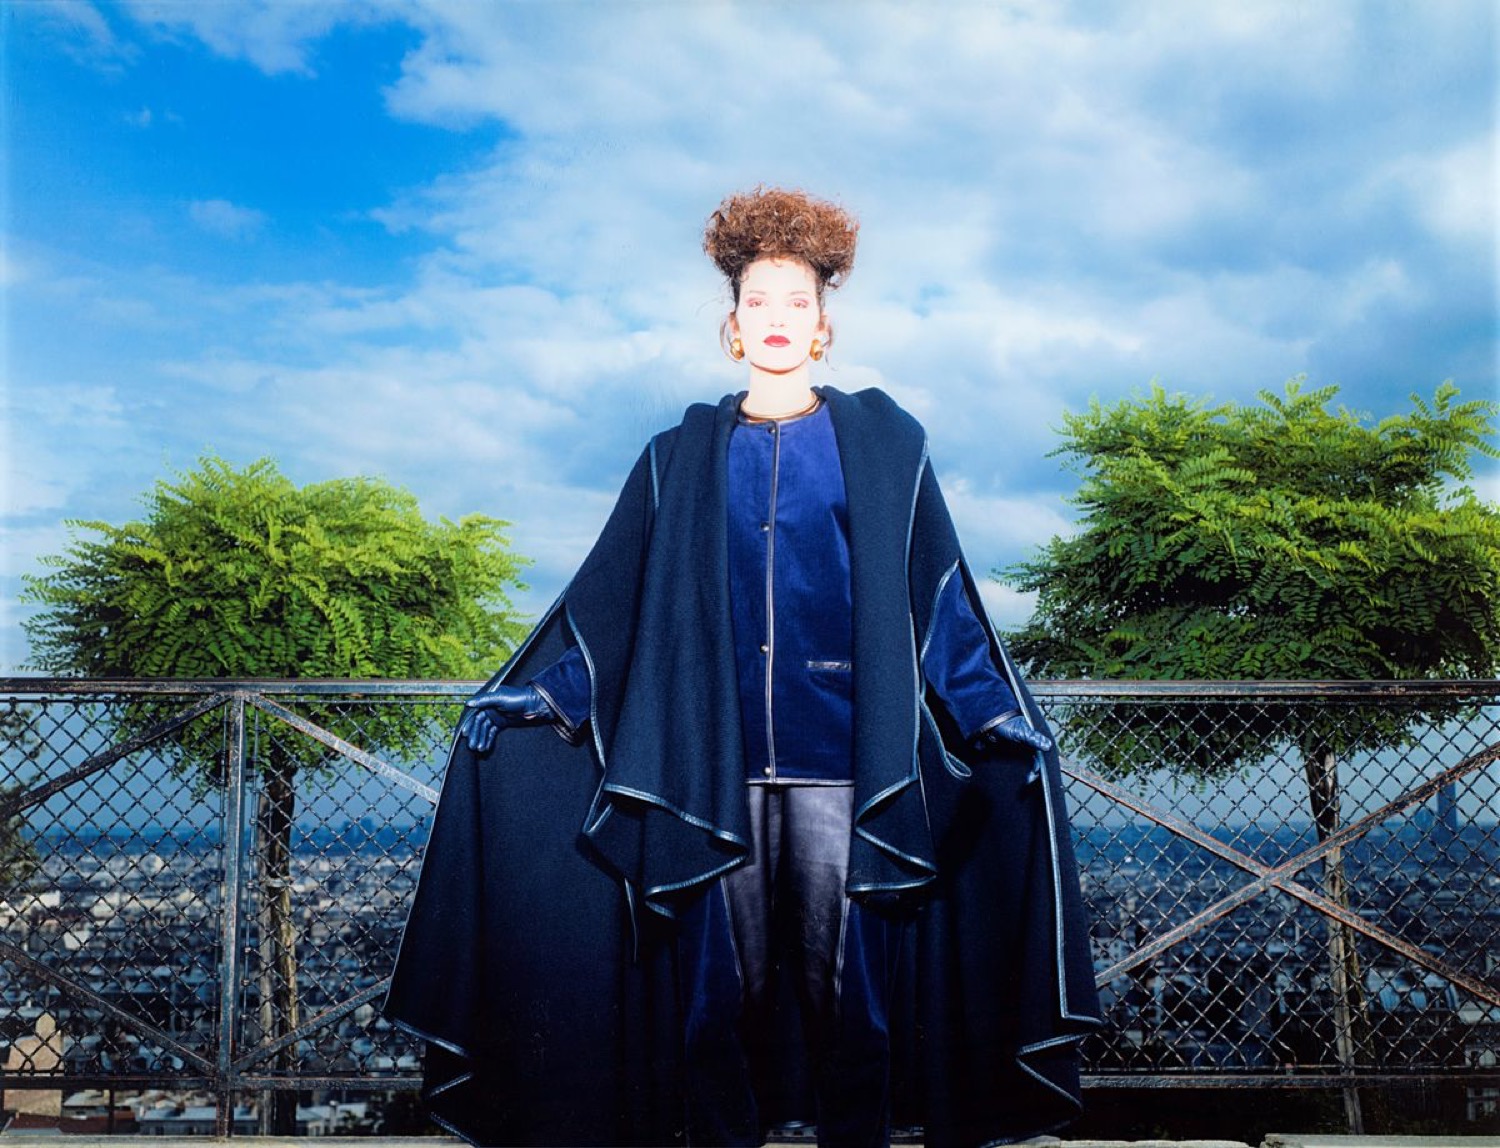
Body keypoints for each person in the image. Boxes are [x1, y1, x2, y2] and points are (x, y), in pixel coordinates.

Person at [383, 187, 1101, 1148]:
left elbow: (936, 597)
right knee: (714, 1007)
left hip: (851, 771)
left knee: (858, 1009)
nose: (776, 318)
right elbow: (617, 606)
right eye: (758, 300)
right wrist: (542, 692)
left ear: (823, 322)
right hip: (708, 776)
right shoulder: (676, 457)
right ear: (732, 323)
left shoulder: (886, 447)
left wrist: (989, 709)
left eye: (796, 301)